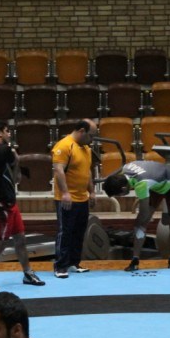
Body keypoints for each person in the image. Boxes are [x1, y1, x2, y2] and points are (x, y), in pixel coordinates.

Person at [0, 121, 45, 291]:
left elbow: (16, 179)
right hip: (3, 207)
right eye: (7, 131)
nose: (9, 134)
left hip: (11, 205)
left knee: (20, 240)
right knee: (0, 243)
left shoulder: (1, 153)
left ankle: (28, 273)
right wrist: (13, 154)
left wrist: (16, 160)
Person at [101, 159, 170, 271]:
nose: (121, 197)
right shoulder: (125, 168)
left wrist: (137, 226)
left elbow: (144, 213)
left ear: (123, 188)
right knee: (141, 224)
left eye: (119, 195)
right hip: (155, 186)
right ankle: (135, 260)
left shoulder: (141, 184)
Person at [51, 119, 97, 279]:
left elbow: (87, 171)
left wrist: (92, 192)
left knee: (79, 232)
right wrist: (65, 193)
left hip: (82, 198)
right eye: (91, 136)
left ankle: (73, 263)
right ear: (82, 131)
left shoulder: (86, 149)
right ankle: (60, 266)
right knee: (65, 232)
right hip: (67, 198)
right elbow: (58, 170)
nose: (92, 140)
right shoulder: (64, 146)